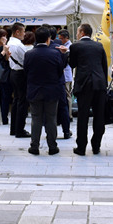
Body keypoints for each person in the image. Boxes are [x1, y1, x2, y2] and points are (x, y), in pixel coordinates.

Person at [23, 27, 68, 156]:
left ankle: (34, 146)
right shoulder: (55, 53)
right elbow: (60, 71)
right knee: (51, 118)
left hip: (35, 90)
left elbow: (26, 71)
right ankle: (52, 146)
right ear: (49, 39)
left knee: (36, 118)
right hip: (52, 90)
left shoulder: (29, 54)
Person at [69, 23, 109, 156]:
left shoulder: (75, 46)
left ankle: (81, 147)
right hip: (99, 84)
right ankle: (96, 145)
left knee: (83, 117)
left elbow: (72, 64)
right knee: (99, 116)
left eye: (78, 31)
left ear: (82, 32)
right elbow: (104, 65)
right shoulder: (98, 46)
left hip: (84, 84)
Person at [7, 22, 31, 138]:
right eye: (23, 31)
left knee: (17, 100)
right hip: (20, 73)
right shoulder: (18, 45)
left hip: (13, 72)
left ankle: (14, 128)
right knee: (22, 102)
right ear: (17, 32)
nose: (24, 34)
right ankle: (20, 129)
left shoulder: (10, 42)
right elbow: (26, 59)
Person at [55, 29, 73, 140]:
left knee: (67, 96)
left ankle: (69, 115)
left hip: (66, 75)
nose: (60, 40)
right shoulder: (61, 46)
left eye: (61, 38)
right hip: (62, 76)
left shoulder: (69, 47)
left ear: (66, 37)